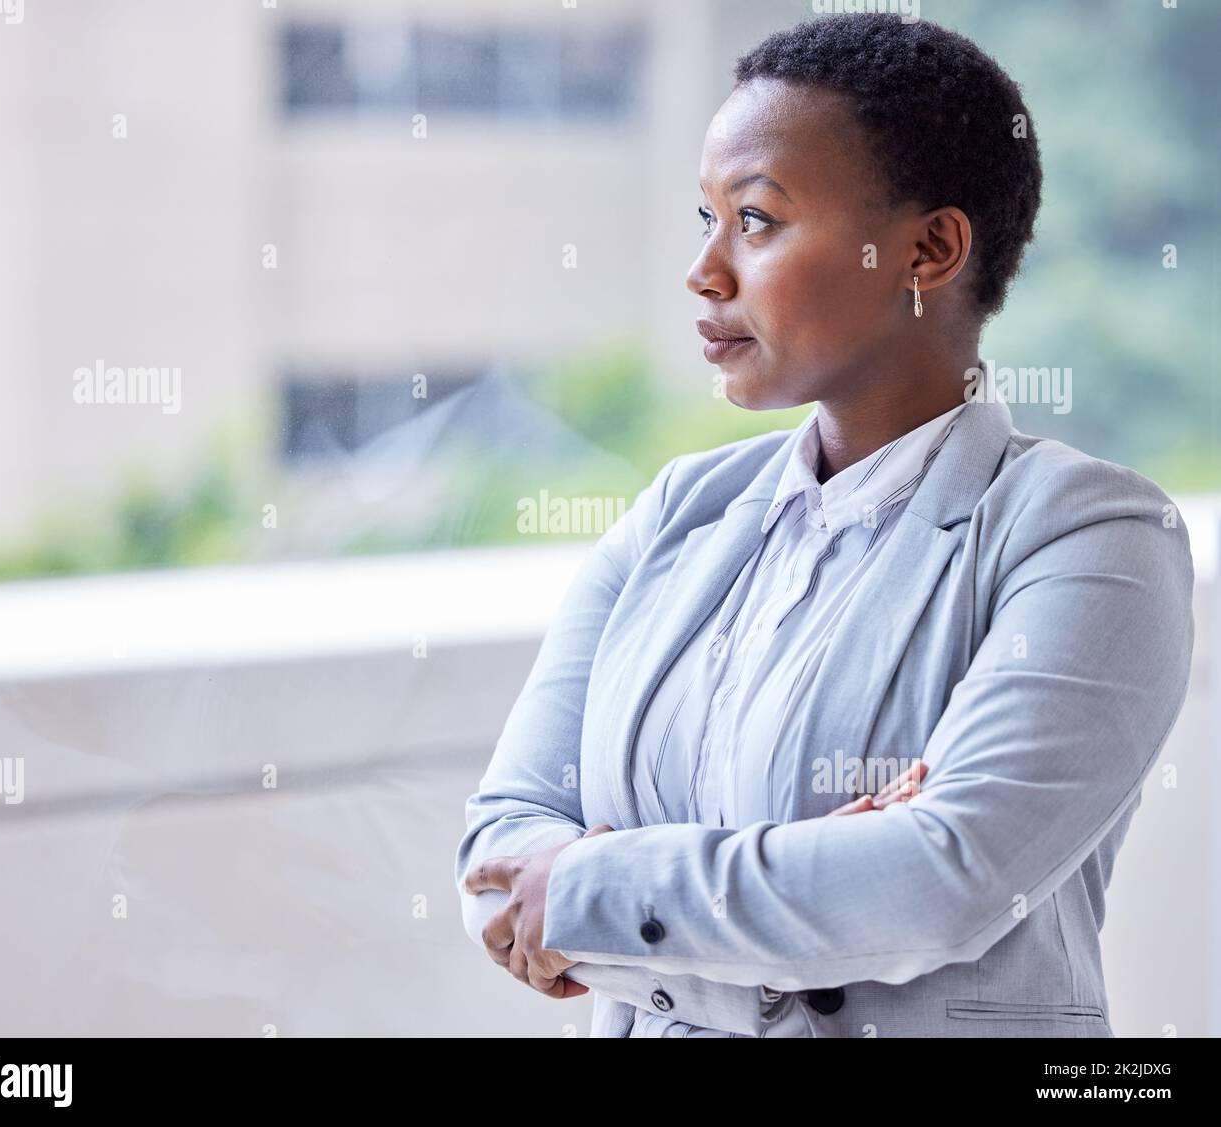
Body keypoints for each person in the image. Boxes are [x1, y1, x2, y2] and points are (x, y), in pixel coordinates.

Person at [455, 13, 1195, 1037]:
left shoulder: (1091, 539)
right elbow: (498, 858)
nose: (704, 271)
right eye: (703, 218)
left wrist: (593, 891)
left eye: (755, 220)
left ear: (927, 250)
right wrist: (809, 918)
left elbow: (937, 883)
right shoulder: (679, 513)